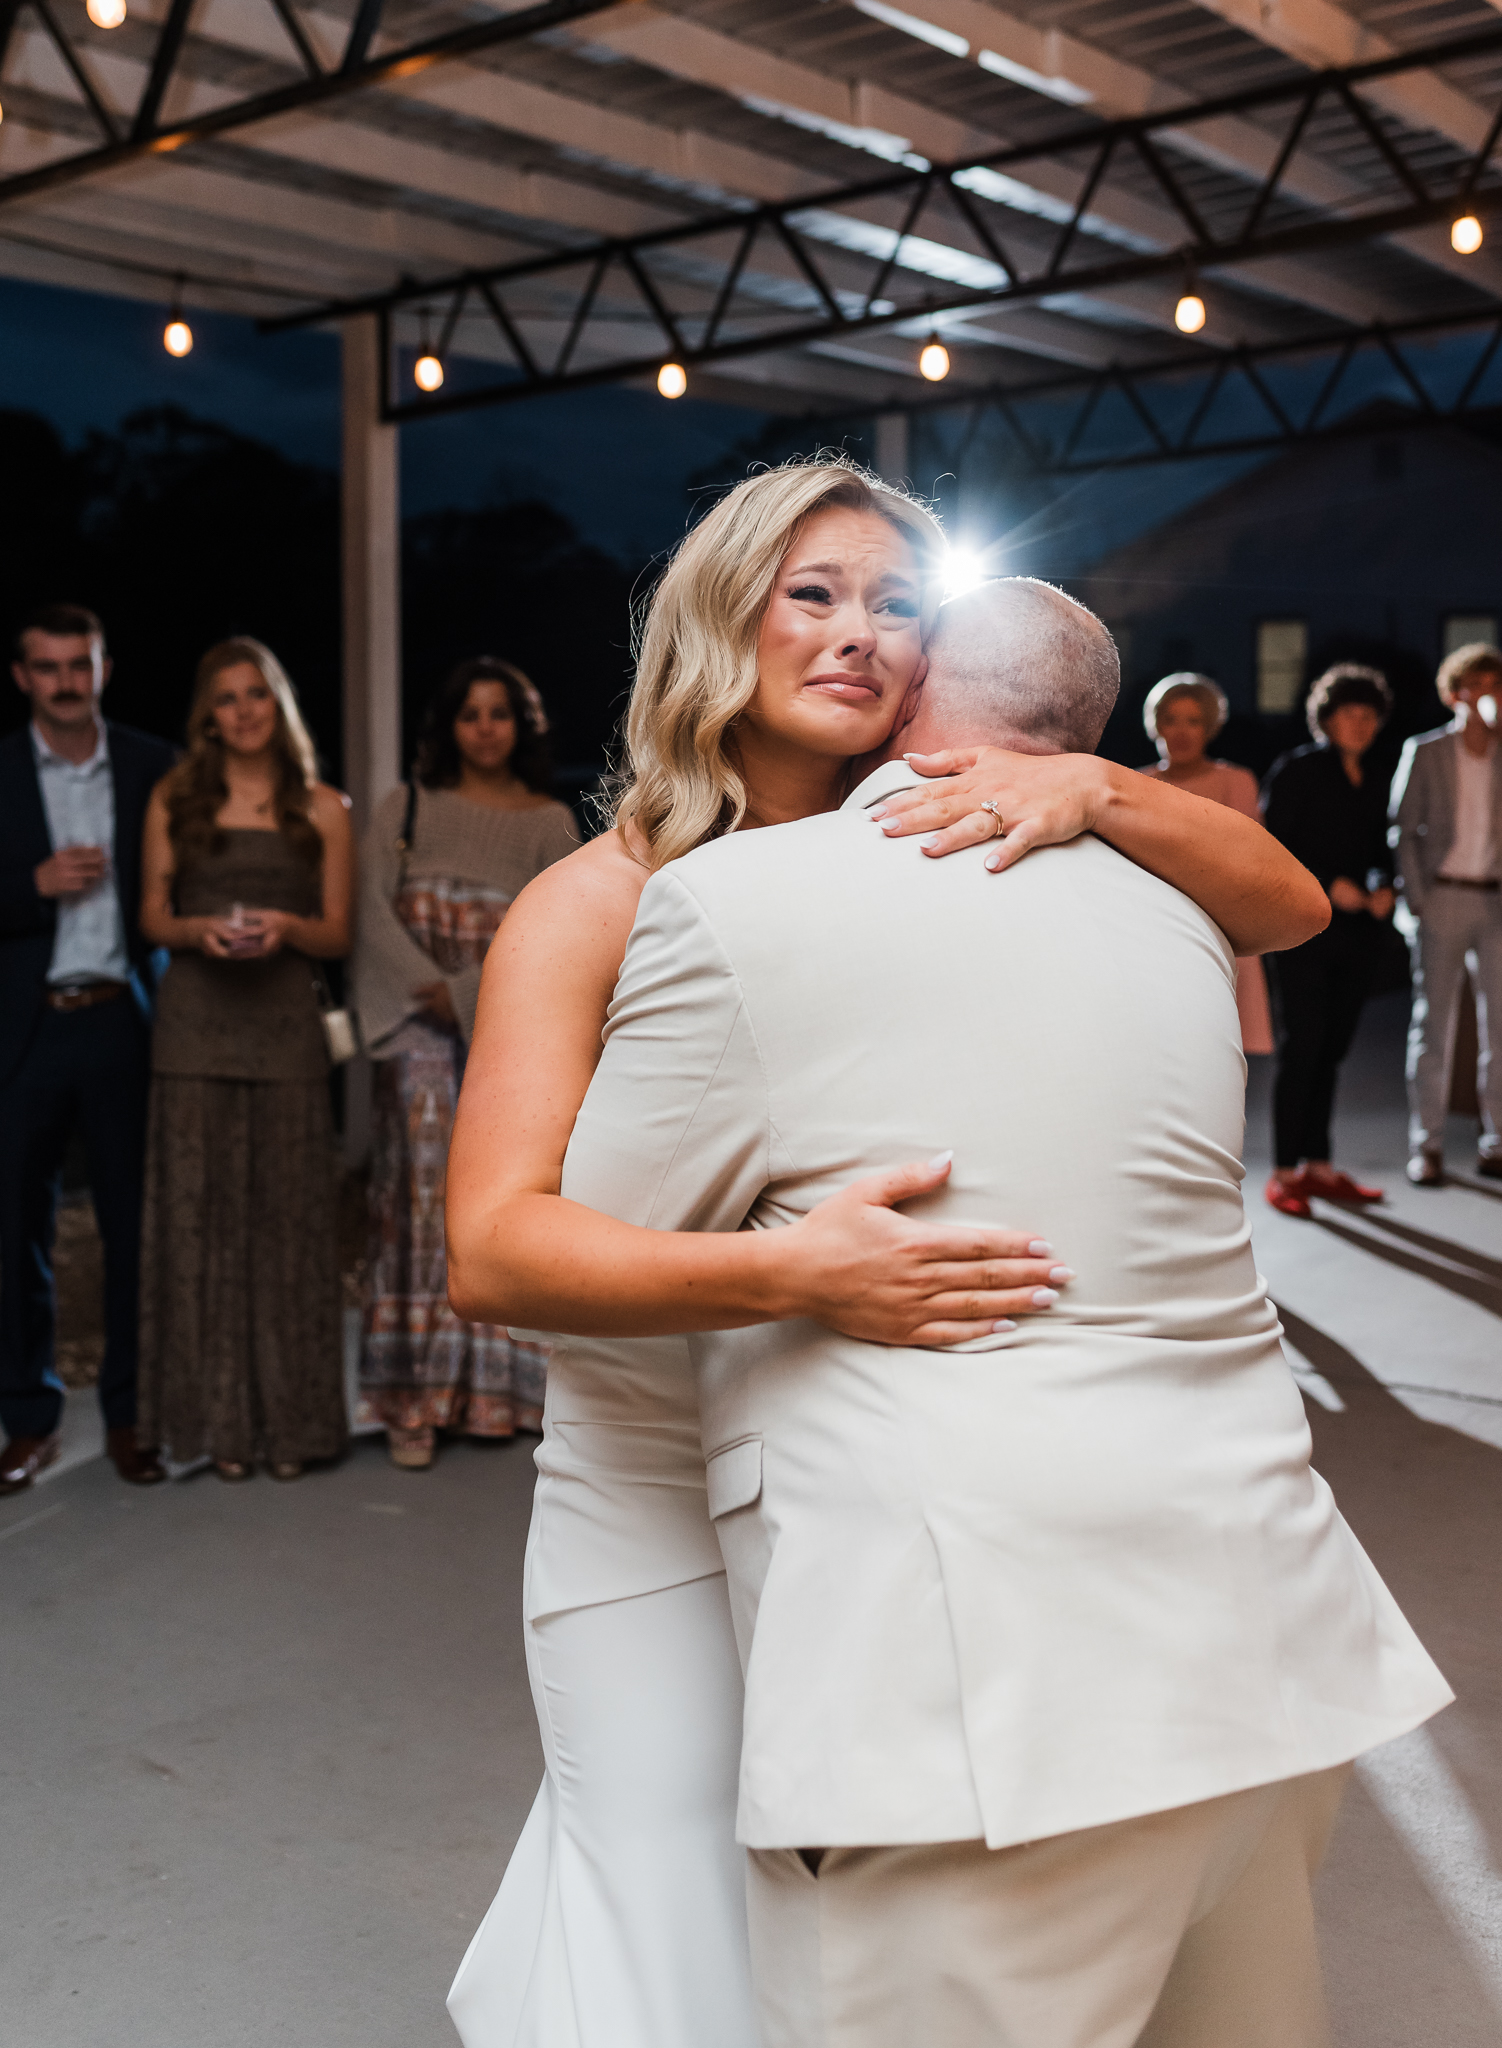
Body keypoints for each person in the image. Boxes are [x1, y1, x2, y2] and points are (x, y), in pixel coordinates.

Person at [441, 455, 1334, 2048]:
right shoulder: (599, 901)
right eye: (814, 595)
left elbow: (1282, 912)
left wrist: (1103, 786)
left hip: (855, 1507)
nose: (861, 633)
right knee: (677, 1926)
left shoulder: (963, 829)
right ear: (724, 625)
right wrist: (797, 1275)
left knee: (832, 1935)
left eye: (896, 603)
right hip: (654, 1500)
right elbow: (496, 1254)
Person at [352, 658, 578, 1470]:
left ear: (523, 726)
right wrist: (431, 992)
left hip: (509, 1031)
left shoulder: (550, 820)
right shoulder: (404, 808)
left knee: (509, 1196)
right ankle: (413, 1398)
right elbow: (367, 913)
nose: (485, 728)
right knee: (415, 1204)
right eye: (469, 713)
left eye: (500, 713)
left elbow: (564, 931)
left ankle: (499, 1393)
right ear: (447, 725)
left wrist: (470, 991)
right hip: (413, 1030)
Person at [136, 638, 353, 1481]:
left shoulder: (325, 807)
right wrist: (201, 933)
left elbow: (338, 934)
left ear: (279, 705)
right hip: (191, 1030)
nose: (243, 710)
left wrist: (286, 929)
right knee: (200, 1226)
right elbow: (152, 918)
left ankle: (292, 1427)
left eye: (256, 694)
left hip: (287, 1035)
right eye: (225, 698)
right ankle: (218, 1428)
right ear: (209, 717)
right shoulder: (174, 798)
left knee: (289, 1226)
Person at [0, 603, 175, 1495]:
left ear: (103, 668)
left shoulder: (153, 765)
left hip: (121, 1022)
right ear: (23, 676)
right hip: (22, 1033)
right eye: (48, 666)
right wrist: (29, 888)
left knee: (131, 1233)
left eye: (82, 664)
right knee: (13, 1235)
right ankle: (27, 1420)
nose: (67, 681)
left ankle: (130, 1416)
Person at [1261, 663, 1398, 1219]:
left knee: (1333, 1050)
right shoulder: (1298, 770)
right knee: (1305, 1046)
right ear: (1326, 718)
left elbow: (1381, 849)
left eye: (1370, 715)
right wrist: (1326, 883)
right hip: (1304, 932)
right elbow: (1274, 847)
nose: (1361, 724)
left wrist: (1386, 885)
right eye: (1350, 713)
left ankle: (1318, 1165)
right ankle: (1284, 1171)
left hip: (1359, 934)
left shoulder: (1373, 773)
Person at [1389, 641, 1502, 1186]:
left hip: (1496, 901)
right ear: (1456, 693)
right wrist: (1419, 901)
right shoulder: (1427, 750)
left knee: (1499, 1028)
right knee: (1433, 1026)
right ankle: (1426, 1145)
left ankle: (1496, 1140)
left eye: (1496, 686)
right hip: (1444, 898)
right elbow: (1403, 829)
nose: (1488, 696)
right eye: (1478, 685)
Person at [1140, 671, 1273, 1054]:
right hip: (1158, 930)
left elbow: (1247, 860)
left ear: (1210, 726)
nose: (1181, 731)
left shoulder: (1237, 781)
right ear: (1156, 725)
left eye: (1193, 720)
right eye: (1171, 719)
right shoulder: (1135, 783)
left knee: (1224, 1053)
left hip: (1224, 928)